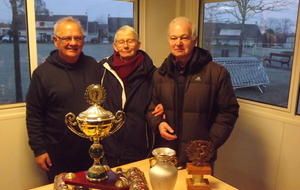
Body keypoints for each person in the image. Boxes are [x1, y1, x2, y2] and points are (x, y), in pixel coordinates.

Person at [146, 17, 240, 169]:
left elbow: (228, 112)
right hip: (167, 155)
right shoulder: (160, 74)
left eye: (184, 37)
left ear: (194, 40)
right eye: (173, 38)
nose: (178, 43)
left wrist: (208, 145)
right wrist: (158, 123)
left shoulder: (216, 73)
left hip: (200, 158)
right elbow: (152, 108)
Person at [26, 16, 102, 183]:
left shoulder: (94, 66)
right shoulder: (43, 73)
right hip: (57, 154)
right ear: (55, 41)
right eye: (67, 38)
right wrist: (39, 150)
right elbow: (34, 115)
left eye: (78, 38)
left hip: (92, 151)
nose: (73, 43)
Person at [99, 25, 161, 167]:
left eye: (130, 41)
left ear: (138, 45)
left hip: (140, 145)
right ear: (115, 46)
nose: (126, 46)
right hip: (110, 145)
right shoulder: (103, 69)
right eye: (121, 42)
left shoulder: (153, 72)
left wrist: (164, 104)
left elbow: (164, 95)